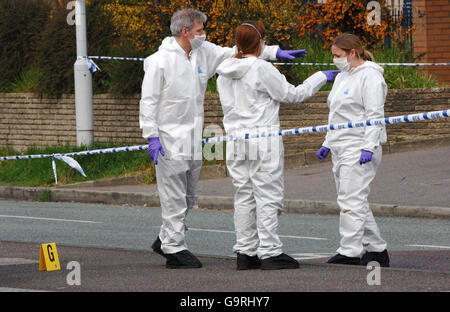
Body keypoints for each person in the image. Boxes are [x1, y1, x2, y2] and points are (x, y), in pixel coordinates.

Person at [140, 8, 309, 269]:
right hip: (168, 138)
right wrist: (151, 135)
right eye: (199, 31)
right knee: (172, 193)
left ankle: (165, 238)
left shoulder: (201, 52)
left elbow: (239, 51)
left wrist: (274, 52)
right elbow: (148, 101)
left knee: (187, 194)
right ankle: (174, 247)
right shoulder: (159, 61)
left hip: (193, 136)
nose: (203, 35)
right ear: (185, 31)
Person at [216, 21, 336, 270]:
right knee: (268, 195)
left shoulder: (224, 71)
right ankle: (270, 252)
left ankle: (245, 252)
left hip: (236, 140)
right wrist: (320, 77)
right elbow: (292, 95)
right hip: (263, 139)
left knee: (244, 195)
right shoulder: (262, 69)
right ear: (260, 42)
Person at [316, 33, 390, 267]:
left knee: (351, 200)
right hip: (340, 145)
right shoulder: (342, 77)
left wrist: (369, 146)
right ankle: (376, 249)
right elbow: (336, 114)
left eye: (338, 55)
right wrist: (327, 142)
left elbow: (374, 114)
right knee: (352, 199)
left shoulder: (370, 77)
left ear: (352, 53)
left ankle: (349, 251)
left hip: (359, 147)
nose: (335, 59)